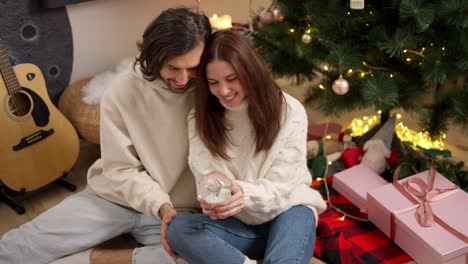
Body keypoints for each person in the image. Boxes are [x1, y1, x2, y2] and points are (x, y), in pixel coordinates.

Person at [0, 7, 211, 264]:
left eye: (193, 68)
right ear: (154, 56)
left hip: (178, 210)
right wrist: (159, 204)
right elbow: (121, 169)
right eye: (173, 67)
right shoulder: (122, 91)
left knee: (201, 258)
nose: (182, 78)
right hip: (115, 197)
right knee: (16, 248)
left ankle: (99, 258)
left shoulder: (211, 90)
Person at [166, 29, 327, 264]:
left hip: (289, 209)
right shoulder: (199, 118)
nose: (223, 91)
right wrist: (215, 202)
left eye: (232, 79)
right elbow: (209, 177)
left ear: (250, 72)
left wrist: (244, 194)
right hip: (239, 223)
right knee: (178, 229)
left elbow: (283, 185)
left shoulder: (290, 111)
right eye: (213, 82)